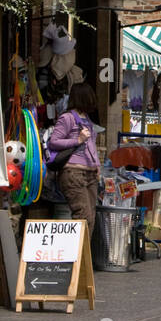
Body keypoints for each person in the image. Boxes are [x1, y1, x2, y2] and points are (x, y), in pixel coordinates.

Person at [48, 82, 103, 241]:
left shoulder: (88, 120)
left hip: (90, 173)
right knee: (83, 216)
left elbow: (91, 145)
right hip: (73, 173)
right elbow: (54, 142)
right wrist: (77, 140)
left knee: (90, 217)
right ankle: (77, 259)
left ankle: (82, 259)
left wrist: (97, 165)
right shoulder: (67, 118)